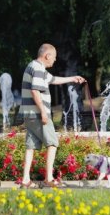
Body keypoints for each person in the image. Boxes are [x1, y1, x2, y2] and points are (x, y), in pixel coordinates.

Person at [19, 43, 86, 188]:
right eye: (54, 57)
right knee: (53, 143)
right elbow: (35, 91)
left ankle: (25, 180)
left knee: (30, 146)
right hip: (38, 113)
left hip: (29, 114)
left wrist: (72, 78)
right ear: (47, 55)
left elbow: (53, 80)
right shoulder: (37, 68)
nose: (54, 60)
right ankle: (49, 178)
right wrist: (43, 111)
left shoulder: (35, 66)